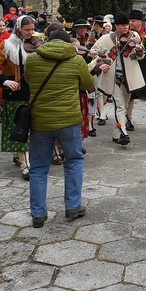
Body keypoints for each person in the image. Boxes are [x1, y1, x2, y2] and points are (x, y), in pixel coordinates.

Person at [25, 29, 95, 228]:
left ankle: (38, 214)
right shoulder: (76, 60)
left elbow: (29, 82)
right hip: (68, 120)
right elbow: (87, 84)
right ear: (68, 43)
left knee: (38, 167)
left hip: (40, 121)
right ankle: (73, 207)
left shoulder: (32, 60)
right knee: (73, 160)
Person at [0, 15, 37, 180]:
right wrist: (6, 81)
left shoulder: (36, 43)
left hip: (32, 93)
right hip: (14, 94)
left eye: (31, 30)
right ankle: (25, 165)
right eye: (26, 30)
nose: (30, 33)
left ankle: (20, 155)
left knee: (30, 129)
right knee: (20, 127)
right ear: (18, 29)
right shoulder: (6, 45)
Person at [89, 13, 146, 146]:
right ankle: (124, 132)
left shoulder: (134, 37)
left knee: (125, 106)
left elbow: (140, 57)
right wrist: (98, 59)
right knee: (119, 104)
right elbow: (94, 52)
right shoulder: (105, 38)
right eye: (122, 25)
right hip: (113, 76)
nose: (126, 27)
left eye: (127, 25)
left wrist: (139, 50)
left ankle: (116, 132)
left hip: (129, 76)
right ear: (116, 26)